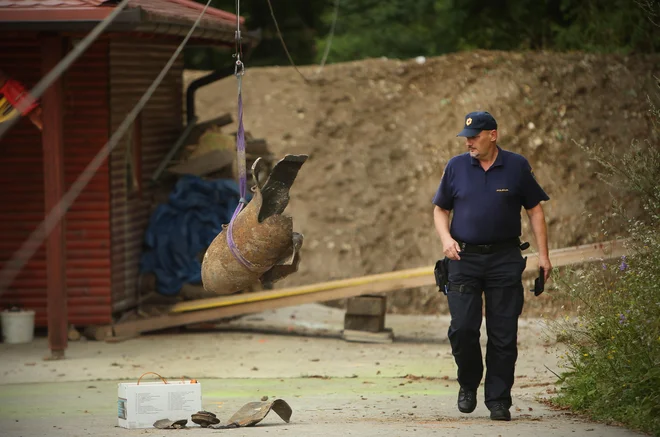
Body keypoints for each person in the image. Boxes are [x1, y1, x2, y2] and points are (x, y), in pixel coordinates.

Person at [432, 111, 552, 421]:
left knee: (503, 335)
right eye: (466, 137)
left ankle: (498, 399)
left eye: (474, 136)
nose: (469, 141)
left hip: (504, 259)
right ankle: (469, 383)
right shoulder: (456, 167)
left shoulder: (516, 166)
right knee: (462, 329)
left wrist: (544, 256)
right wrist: (446, 239)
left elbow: (535, 211)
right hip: (463, 259)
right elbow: (440, 209)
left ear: (493, 135)